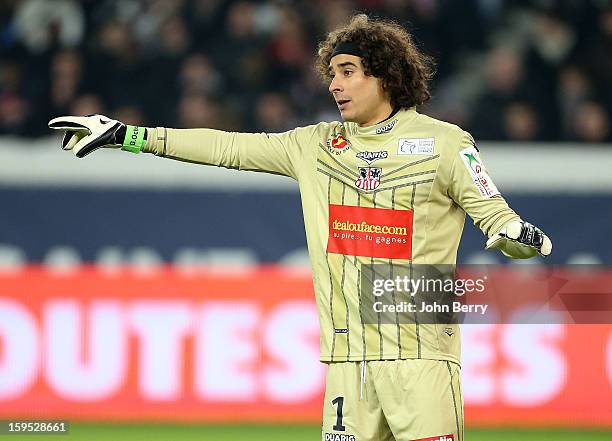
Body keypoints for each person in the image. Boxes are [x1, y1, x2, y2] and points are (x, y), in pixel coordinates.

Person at [48, 14, 551, 441]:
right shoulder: (313, 145)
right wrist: (128, 135)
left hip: (418, 353)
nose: (334, 84)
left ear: (385, 76)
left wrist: (517, 237)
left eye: (348, 71)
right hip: (346, 357)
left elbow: (495, 213)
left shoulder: (444, 143)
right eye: (332, 73)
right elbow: (227, 148)